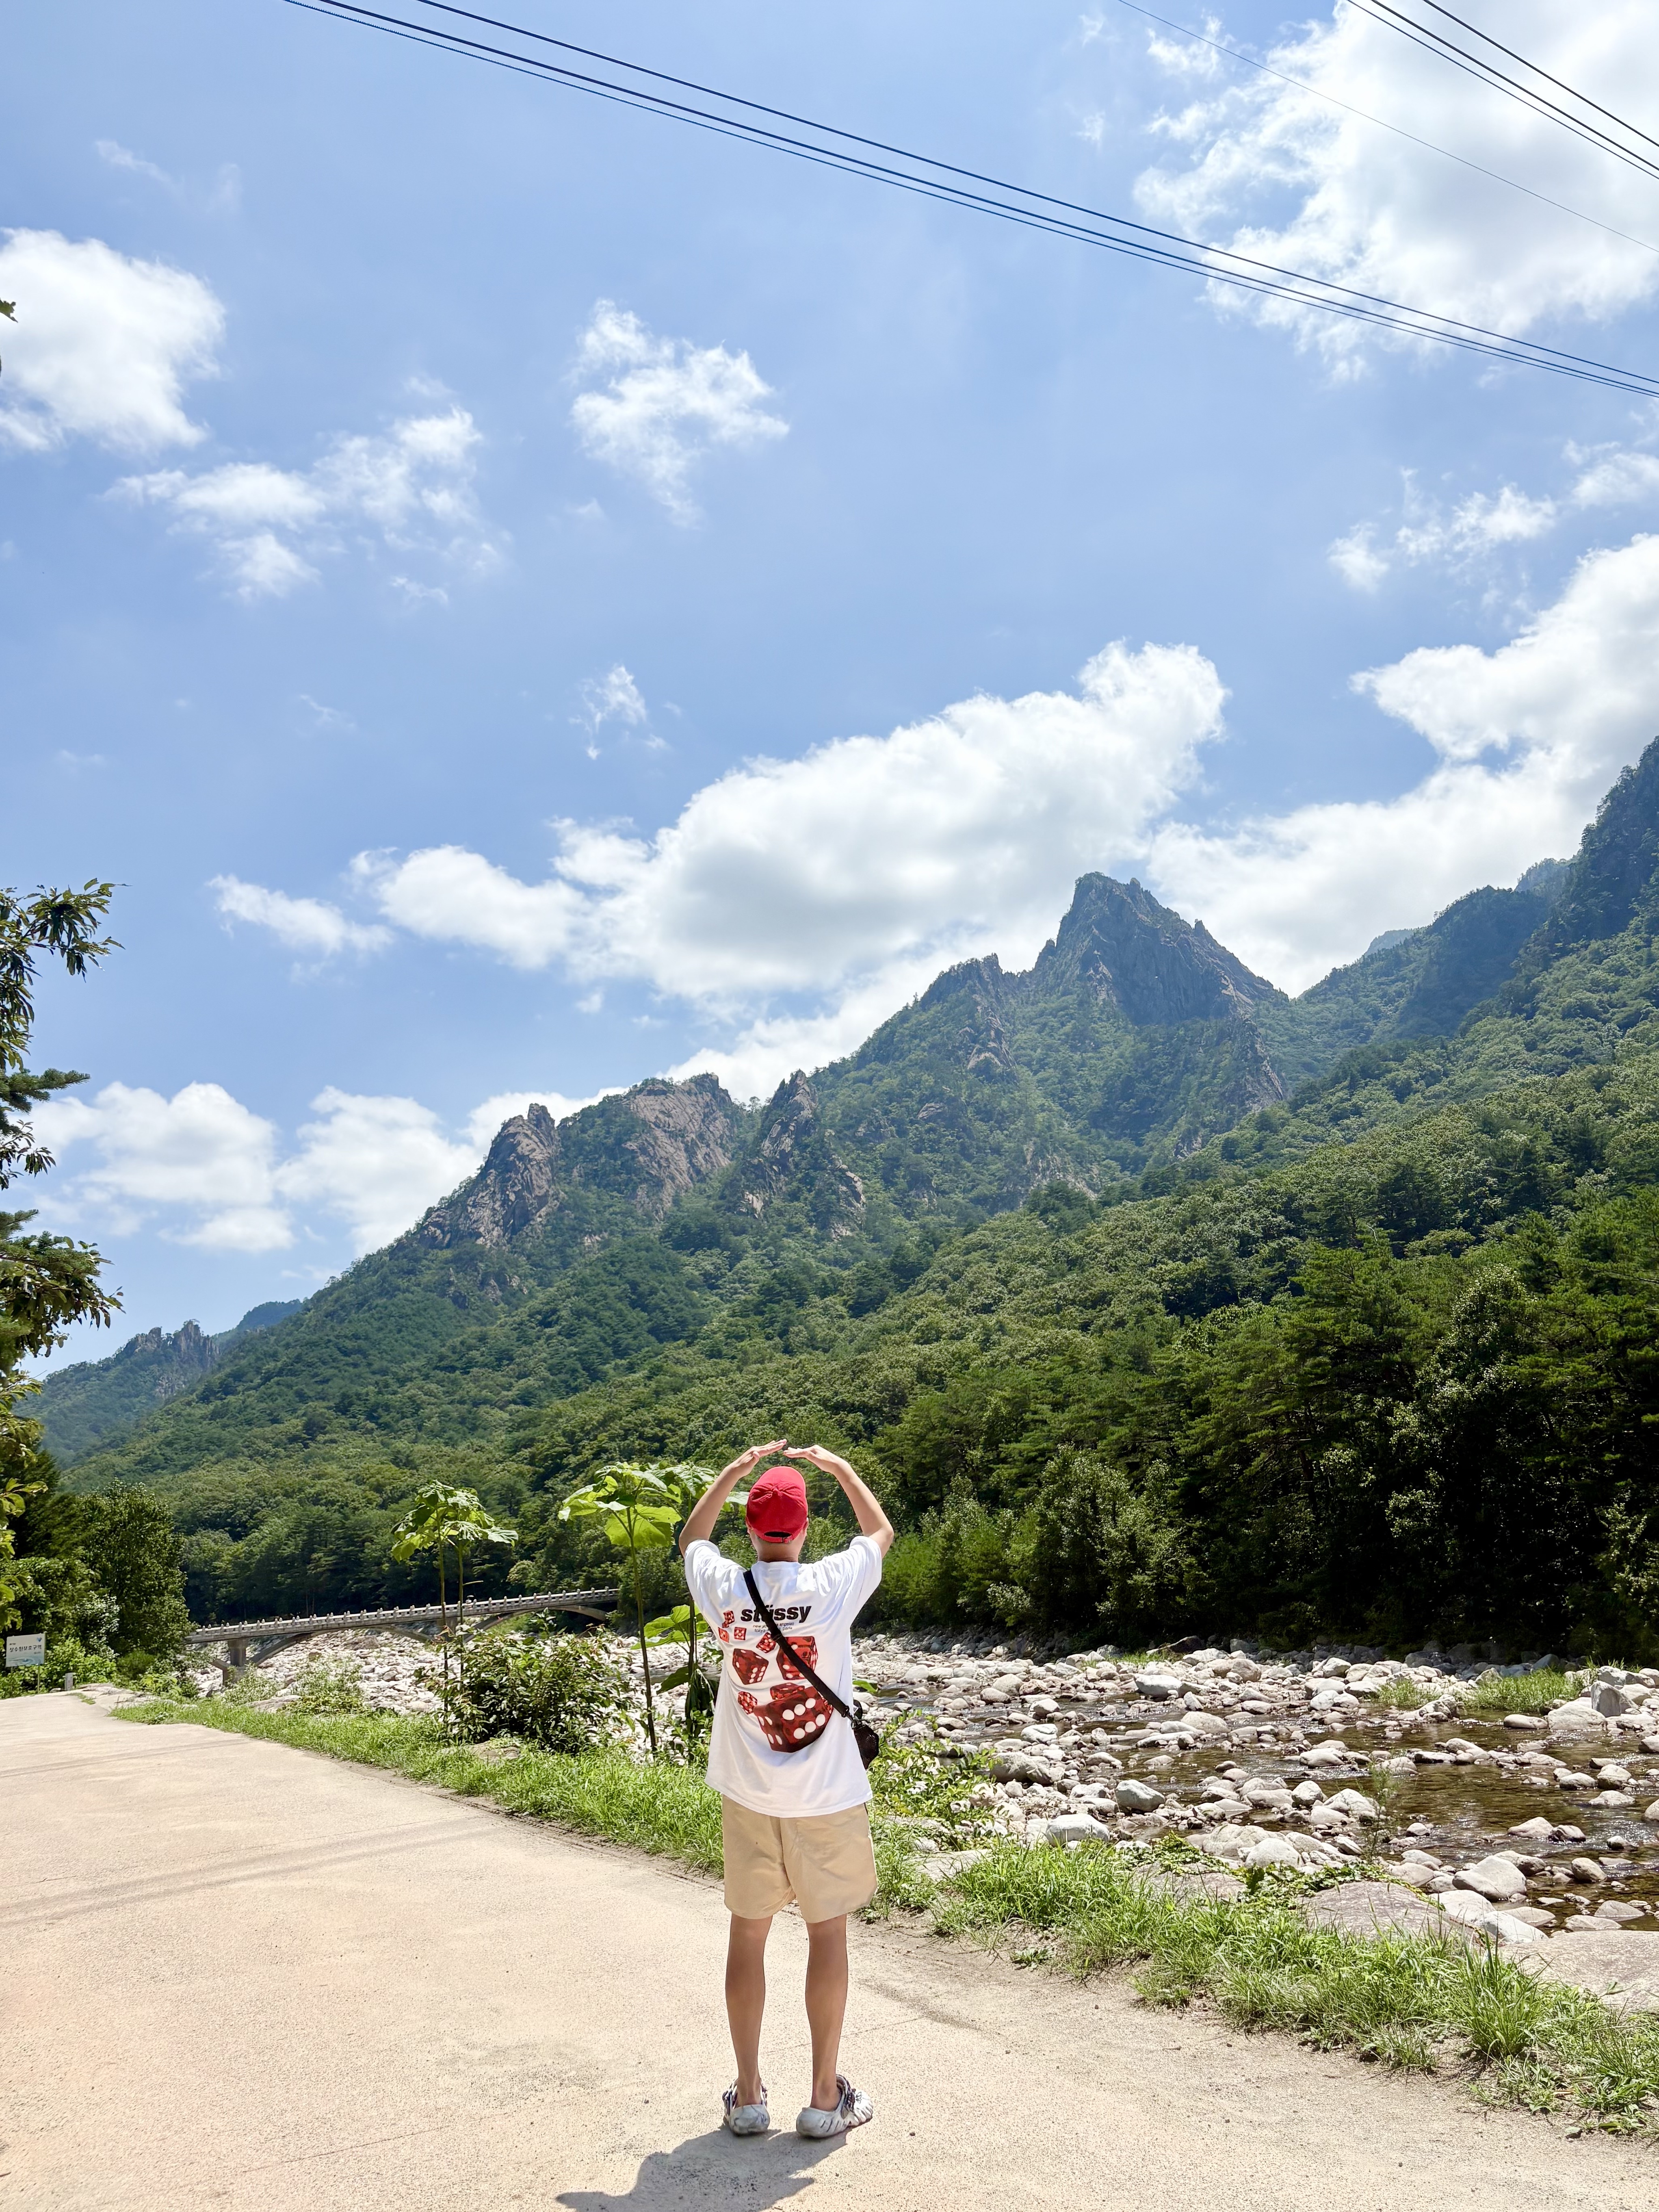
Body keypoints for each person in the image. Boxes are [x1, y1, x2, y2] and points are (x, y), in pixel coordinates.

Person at [679, 1437, 894, 2142]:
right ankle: (824, 2098)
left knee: (749, 1933)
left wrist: (732, 1471)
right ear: (803, 1528)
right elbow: (880, 1533)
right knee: (826, 1934)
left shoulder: (724, 1589)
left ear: (751, 1528)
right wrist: (840, 1468)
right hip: (826, 1796)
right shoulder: (830, 1586)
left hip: (748, 1794)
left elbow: (692, 1538)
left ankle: (746, 2098)